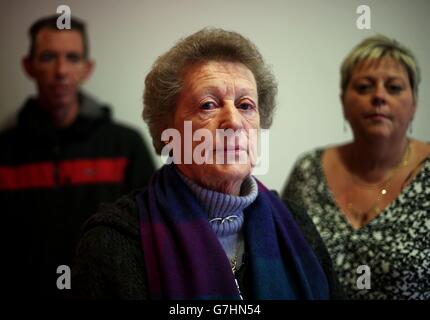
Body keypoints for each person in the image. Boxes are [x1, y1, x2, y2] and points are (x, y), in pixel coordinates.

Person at [72, 28, 342, 300]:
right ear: (167, 131)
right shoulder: (114, 240)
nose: (234, 121)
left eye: (246, 106)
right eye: (208, 105)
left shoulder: (297, 224)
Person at [0, 15, 156, 298]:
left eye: (72, 57)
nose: (61, 70)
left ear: (87, 68)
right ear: (28, 66)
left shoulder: (125, 146)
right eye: (48, 57)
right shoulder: (5, 151)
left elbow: (151, 238)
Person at [283, 35, 430, 299]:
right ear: (344, 103)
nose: (379, 97)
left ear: (414, 105)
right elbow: (283, 264)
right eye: (364, 87)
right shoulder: (308, 171)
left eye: (394, 88)